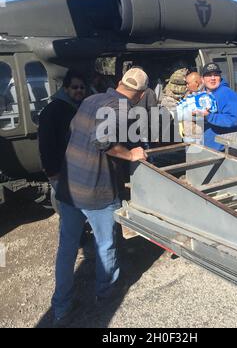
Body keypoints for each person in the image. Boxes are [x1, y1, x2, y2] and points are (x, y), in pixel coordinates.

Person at [51, 67, 149, 326]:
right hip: (97, 191)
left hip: (70, 186)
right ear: (139, 94)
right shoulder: (123, 108)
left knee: (67, 247)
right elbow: (102, 140)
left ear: (119, 83)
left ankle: (61, 305)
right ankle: (106, 295)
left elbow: (76, 130)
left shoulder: (90, 99)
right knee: (106, 244)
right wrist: (131, 155)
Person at [38, 70, 87, 193]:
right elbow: (46, 143)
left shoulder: (82, 107)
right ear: (65, 89)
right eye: (74, 87)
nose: (79, 90)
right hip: (61, 170)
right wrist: (53, 172)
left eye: (82, 87)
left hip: (78, 169)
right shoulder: (52, 111)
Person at [197, 63, 237, 151]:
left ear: (220, 77)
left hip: (225, 149)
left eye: (216, 75)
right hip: (209, 146)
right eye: (208, 75)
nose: (212, 78)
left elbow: (232, 119)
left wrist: (209, 116)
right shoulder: (203, 95)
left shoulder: (228, 94)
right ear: (202, 79)